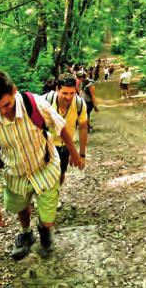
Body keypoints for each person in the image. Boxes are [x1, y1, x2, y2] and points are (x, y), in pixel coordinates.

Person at [0, 70, 83, 260]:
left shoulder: (35, 104)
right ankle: (27, 234)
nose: (3, 112)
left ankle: (44, 229)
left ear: (14, 91)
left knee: (48, 219)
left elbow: (60, 127)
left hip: (46, 168)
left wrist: (75, 153)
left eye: (7, 105)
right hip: (15, 174)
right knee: (21, 207)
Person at [44, 74, 88, 206]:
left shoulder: (80, 104)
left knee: (61, 172)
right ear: (57, 89)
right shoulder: (46, 100)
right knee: (45, 172)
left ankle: (55, 193)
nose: (68, 97)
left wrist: (81, 154)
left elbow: (83, 128)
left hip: (65, 145)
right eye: (64, 93)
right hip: (46, 143)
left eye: (72, 93)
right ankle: (44, 195)